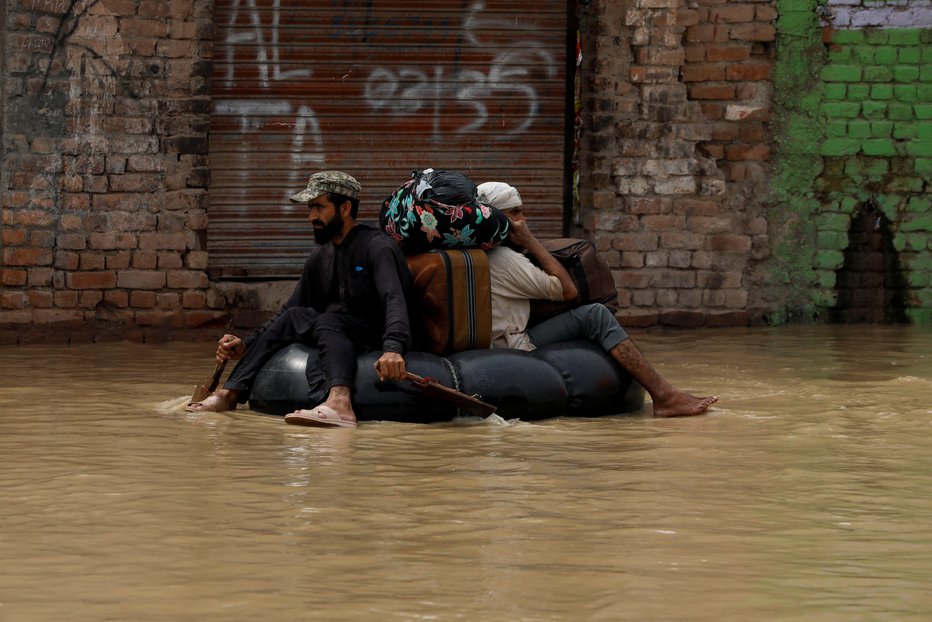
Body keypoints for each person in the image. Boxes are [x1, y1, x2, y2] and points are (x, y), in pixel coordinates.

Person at [186, 171, 413, 428]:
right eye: (310, 208)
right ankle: (228, 395)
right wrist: (247, 344)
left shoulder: (377, 247)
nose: (312, 217)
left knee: (328, 321)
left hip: (374, 332)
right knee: (296, 317)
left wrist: (393, 348)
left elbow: (395, 300)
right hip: (334, 331)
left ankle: (341, 403)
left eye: (319, 207)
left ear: (346, 208)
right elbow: (291, 310)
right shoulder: (320, 256)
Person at [476, 181, 717, 417]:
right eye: (515, 213)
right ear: (499, 220)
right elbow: (568, 290)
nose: (523, 220)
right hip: (509, 346)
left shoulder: (475, 252)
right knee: (596, 315)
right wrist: (530, 241)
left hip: (487, 341)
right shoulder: (504, 259)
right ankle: (664, 396)